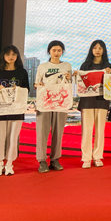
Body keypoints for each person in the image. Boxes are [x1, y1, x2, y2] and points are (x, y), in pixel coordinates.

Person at [34, 40, 72, 173]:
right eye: (54, 50)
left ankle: (55, 159)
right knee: (42, 132)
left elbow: (69, 84)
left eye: (59, 50)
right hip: (45, 103)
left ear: (62, 52)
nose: (56, 53)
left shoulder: (67, 66)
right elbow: (36, 84)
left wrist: (69, 78)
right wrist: (39, 86)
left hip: (61, 104)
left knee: (58, 131)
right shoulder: (42, 67)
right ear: (49, 51)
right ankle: (42, 160)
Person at [77, 40, 111, 169]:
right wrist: (76, 75)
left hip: (102, 101)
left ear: (104, 50)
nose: (97, 50)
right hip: (87, 101)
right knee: (87, 130)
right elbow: (80, 82)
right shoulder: (85, 65)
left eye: (100, 48)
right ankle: (86, 158)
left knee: (100, 130)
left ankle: (97, 156)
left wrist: (110, 73)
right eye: (95, 48)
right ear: (91, 50)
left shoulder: (108, 66)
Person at [0, 46, 29, 175]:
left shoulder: (22, 72)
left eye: (13, 54)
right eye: (8, 54)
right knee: (1, 137)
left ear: (17, 56)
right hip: (1, 110)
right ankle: (0, 162)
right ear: (3, 56)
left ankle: (10, 164)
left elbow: (27, 89)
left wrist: (18, 89)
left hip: (17, 110)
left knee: (13, 138)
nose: (11, 57)